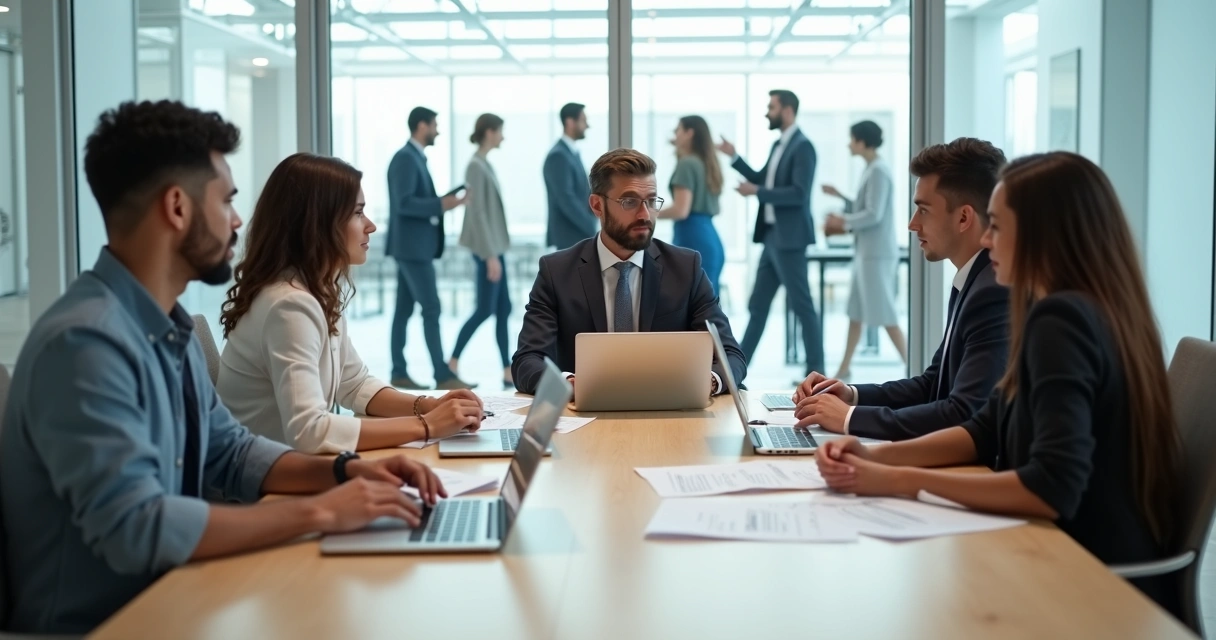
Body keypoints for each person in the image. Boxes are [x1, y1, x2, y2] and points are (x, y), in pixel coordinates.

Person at [0, 101, 445, 635]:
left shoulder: (169, 327)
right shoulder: (85, 344)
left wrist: (345, 472)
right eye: (227, 200)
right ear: (177, 208)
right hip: (111, 623)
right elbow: (137, 528)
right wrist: (324, 510)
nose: (238, 220)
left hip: (179, 596)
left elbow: (230, 452)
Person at [814, 152, 1181, 613]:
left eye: (999, 227)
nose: (987, 240)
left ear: (1045, 236)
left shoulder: (1062, 320)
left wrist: (897, 479)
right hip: (1071, 559)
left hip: (1088, 583)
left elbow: (1050, 486)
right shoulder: (1081, 309)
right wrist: (874, 457)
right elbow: (984, 428)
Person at [217, 153, 484, 454]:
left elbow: (355, 384)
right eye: (358, 213)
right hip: (262, 479)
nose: (371, 226)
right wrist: (427, 426)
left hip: (286, 466)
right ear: (317, 224)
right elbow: (309, 431)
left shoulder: (316, 290)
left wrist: (429, 406)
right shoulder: (289, 305)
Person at [793, 138, 1009, 442]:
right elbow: (933, 385)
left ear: (963, 218)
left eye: (923, 210)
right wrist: (851, 395)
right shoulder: (974, 278)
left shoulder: (992, 291)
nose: (911, 224)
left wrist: (849, 418)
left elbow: (963, 413)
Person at [512, 148, 747, 395]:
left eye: (651, 201)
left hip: (668, 410)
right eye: (630, 202)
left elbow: (730, 354)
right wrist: (569, 384)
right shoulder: (557, 272)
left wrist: (707, 381)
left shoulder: (685, 268)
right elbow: (527, 360)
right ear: (597, 205)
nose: (645, 215)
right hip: (583, 411)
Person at [716, 89, 823, 374]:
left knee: (802, 306)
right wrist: (734, 156)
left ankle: (816, 369)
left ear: (787, 110)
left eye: (771, 107)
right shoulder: (779, 145)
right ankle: (736, 368)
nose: (767, 112)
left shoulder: (803, 147)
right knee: (758, 305)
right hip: (771, 237)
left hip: (790, 239)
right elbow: (762, 179)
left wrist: (757, 192)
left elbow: (799, 193)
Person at [387, 106, 476, 391]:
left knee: (403, 310)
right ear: (422, 125)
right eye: (435, 125)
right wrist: (442, 204)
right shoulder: (405, 158)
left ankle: (398, 372)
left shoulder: (414, 158)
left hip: (412, 248)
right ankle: (442, 374)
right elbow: (404, 203)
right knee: (431, 308)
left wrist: (447, 202)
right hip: (412, 249)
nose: (437, 130)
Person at [821, 120, 907, 377]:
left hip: (876, 256)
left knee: (886, 315)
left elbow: (873, 214)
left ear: (861, 141)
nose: (849, 144)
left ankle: (914, 365)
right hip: (866, 254)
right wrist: (841, 197)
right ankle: (843, 369)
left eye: (851, 139)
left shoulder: (878, 170)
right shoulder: (871, 169)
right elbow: (866, 207)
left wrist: (844, 222)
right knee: (856, 313)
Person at [450, 113, 513, 389]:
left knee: (504, 308)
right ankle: (452, 362)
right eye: (500, 131)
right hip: (488, 250)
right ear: (489, 132)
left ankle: (507, 370)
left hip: (496, 247)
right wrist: (490, 256)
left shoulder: (484, 163)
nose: (502, 137)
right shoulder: (475, 166)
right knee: (485, 309)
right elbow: (477, 213)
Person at [656, 115, 726, 296]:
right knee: (707, 302)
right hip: (710, 237)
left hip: (692, 236)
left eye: (678, 130)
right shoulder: (707, 163)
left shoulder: (687, 164)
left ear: (689, 133)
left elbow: (681, 210)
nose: (675, 134)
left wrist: (647, 213)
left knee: (690, 301)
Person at [544, 102, 596, 250]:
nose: (587, 126)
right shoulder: (558, 156)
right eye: (583, 121)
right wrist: (591, 226)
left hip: (577, 236)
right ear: (570, 122)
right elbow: (566, 199)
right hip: (569, 238)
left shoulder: (571, 153)